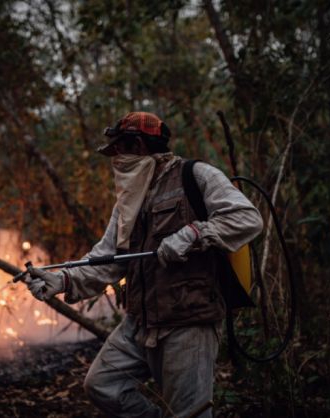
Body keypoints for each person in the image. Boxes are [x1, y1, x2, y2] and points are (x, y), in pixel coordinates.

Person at [24, 111, 263, 418]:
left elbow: (247, 218)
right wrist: (62, 281)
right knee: (102, 385)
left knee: (190, 413)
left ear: (137, 145)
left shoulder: (197, 175)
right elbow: (108, 257)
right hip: (140, 322)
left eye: (118, 150)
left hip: (187, 322)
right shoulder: (129, 198)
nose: (115, 160)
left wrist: (194, 234)